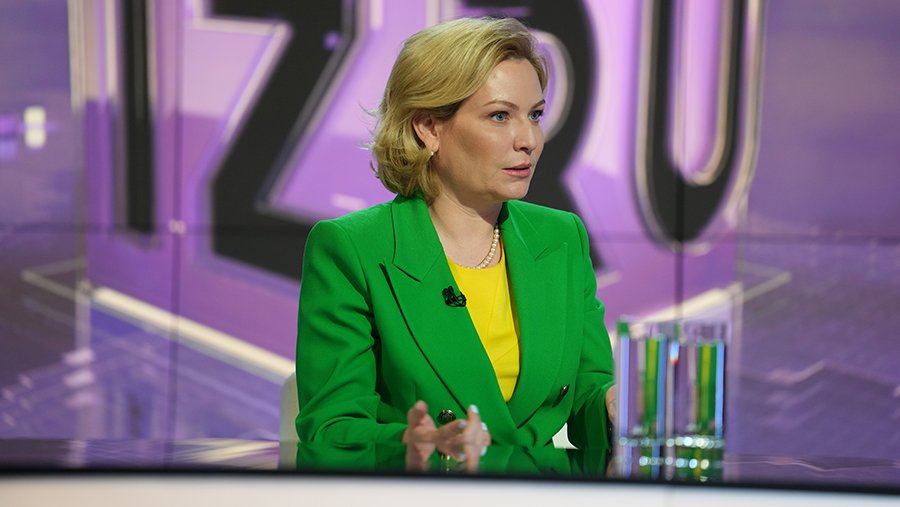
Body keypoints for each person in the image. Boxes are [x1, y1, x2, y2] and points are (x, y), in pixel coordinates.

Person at [296, 17, 615, 466]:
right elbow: (330, 429)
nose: (529, 140)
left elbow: (586, 397)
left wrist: (615, 406)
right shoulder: (353, 249)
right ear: (429, 127)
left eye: (535, 115)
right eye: (500, 116)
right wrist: (412, 442)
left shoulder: (562, 237)